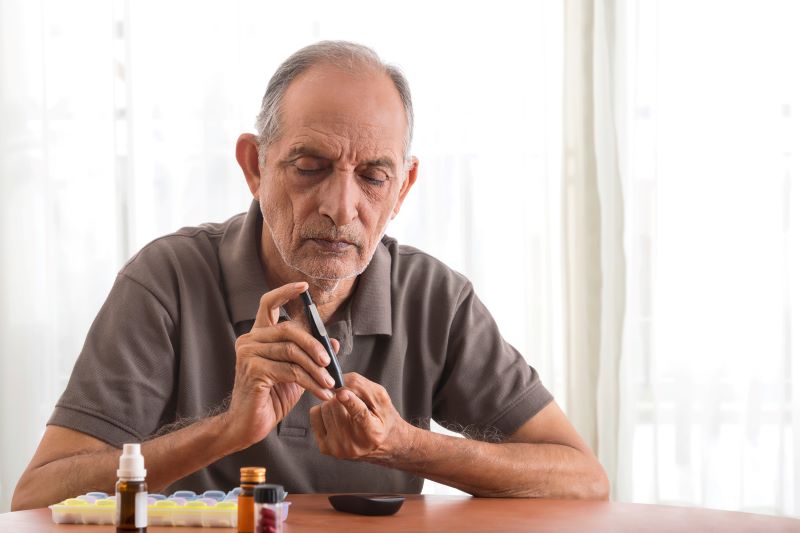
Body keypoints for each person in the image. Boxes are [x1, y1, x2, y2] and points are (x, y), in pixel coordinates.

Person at [11, 41, 608, 511]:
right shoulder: (166, 280)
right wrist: (226, 430)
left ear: (403, 188)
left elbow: (582, 480)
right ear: (255, 165)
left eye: (373, 176)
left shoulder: (435, 298)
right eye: (309, 166)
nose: (340, 207)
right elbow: (37, 496)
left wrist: (404, 444)